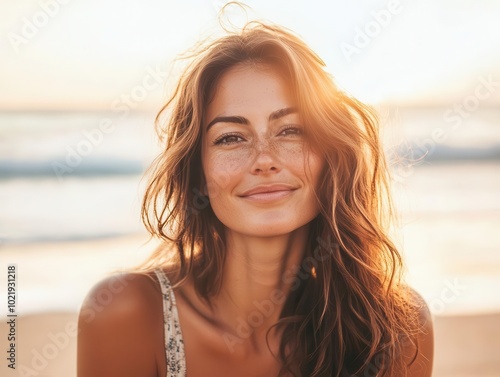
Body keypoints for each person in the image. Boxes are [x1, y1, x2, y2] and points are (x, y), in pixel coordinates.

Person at [77, 21, 433, 377]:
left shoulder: (395, 326)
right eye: (231, 138)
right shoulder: (128, 315)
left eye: (291, 130)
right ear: (197, 172)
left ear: (332, 156)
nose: (264, 160)